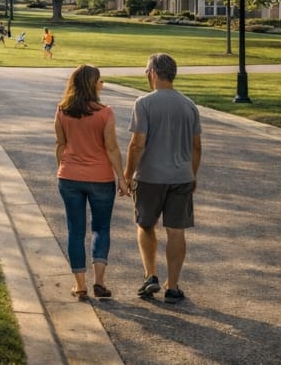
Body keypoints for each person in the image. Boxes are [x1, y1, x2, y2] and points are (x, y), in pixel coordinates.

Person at [125, 53, 202, 304]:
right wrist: (192, 174)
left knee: (146, 225)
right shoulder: (189, 105)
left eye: (147, 72)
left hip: (149, 176)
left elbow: (137, 144)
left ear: (154, 73)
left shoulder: (144, 103)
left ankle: (150, 276)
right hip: (181, 176)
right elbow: (196, 146)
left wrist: (127, 175)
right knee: (176, 230)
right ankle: (173, 285)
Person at [55, 65, 130, 301]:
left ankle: (80, 286)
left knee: (75, 231)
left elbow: (60, 144)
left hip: (69, 177)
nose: (102, 84)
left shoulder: (62, 110)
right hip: (101, 178)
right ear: (91, 84)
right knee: (101, 228)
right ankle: (99, 281)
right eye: (99, 80)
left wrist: (63, 166)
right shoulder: (105, 113)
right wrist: (123, 178)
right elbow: (111, 148)